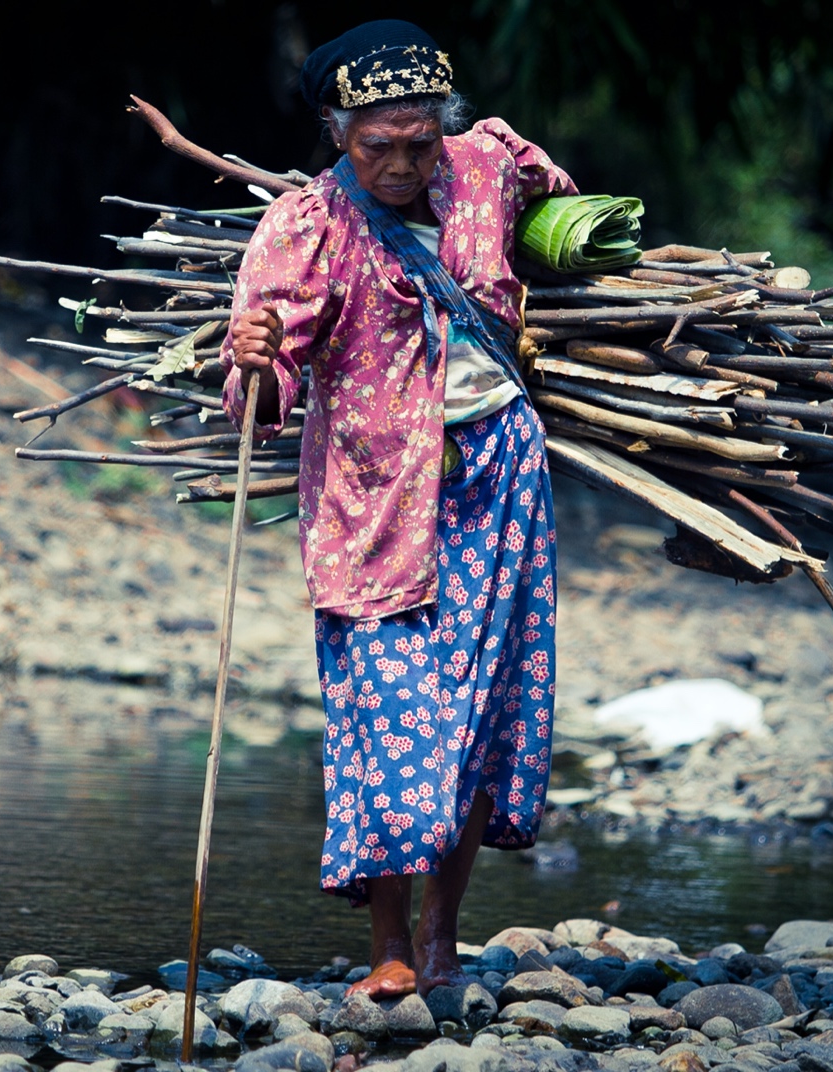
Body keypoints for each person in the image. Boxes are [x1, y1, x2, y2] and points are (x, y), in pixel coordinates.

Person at [220, 20, 576, 1000]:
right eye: (379, 144)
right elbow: (264, 391)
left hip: (499, 477)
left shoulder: (482, 164)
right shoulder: (305, 226)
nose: (404, 163)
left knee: (473, 718)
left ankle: (442, 938)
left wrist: (564, 225)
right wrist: (252, 363)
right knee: (388, 721)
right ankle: (385, 941)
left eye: (421, 141)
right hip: (370, 500)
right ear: (339, 132)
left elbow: (552, 186)